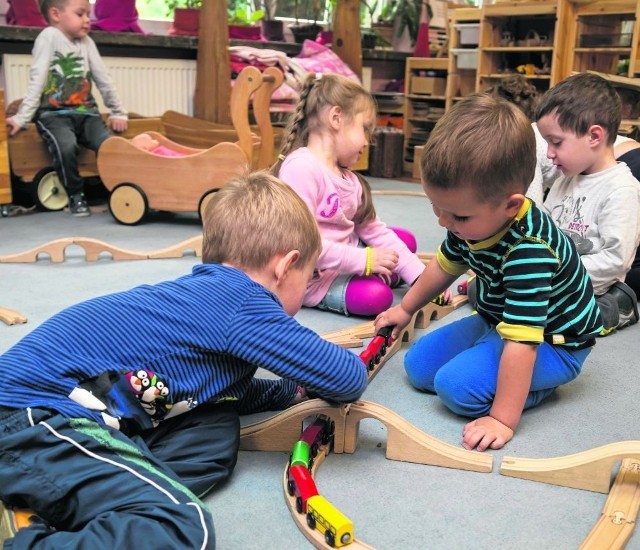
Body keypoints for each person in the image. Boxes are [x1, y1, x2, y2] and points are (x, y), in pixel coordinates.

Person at [0, 171, 368, 548]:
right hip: (30, 414)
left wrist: (287, 393)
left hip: (54, 411)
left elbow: (221, 389)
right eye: (307, 279)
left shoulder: (208, 303)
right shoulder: (240, 302)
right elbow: (346, 377)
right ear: (285, 266)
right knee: (179, 527)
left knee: (215, 426)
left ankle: (111, 489)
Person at [374, 94, 603, 452]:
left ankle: (537, 389)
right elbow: (445, 265)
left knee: (456, 389)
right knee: (418, 367)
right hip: (499, 319)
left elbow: (523, 342)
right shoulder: (470, 220)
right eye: (436, 207)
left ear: (511, 205)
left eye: (458, 217)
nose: (444, 222)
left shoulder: (530, 251)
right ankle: (488, 353)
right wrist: (406, 309)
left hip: (554, 343)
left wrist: (501, 419)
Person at [273, 72, 426, 317]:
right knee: (377, 298)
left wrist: (421, 277)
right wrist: (366, 261)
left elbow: (374, 231)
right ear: (336, 118)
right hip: (313, 276)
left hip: (347, 256)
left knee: (404, 243)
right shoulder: (301, 168)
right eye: (365, 129)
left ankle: (380, 272)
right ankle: (377, 275)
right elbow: (303, 246)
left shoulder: (349, 177)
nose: (367, 142)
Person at [536, 72, 640, 334]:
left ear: (594, 136)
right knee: (484, 291)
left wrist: (554, 274)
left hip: (589, 287)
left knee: (556, 322)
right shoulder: (564, 179)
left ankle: (620, 306)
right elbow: (542, 229)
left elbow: (617, 260)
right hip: (554, 277)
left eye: (556, 142)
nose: (549, 153)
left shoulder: (622, 188)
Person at [6, 0, 128, 217]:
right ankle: (75, 194)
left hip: (86, 113)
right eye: (80, 14)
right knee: (66, 145)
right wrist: (22, 118)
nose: (87, 19)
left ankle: (121, 190)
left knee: (110, 145)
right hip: (54, 115)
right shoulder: (48, 38)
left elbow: (103, 79)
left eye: (88, 14)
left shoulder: (87, 42)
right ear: (55, 14)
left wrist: (118, 111)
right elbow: (37, 80)